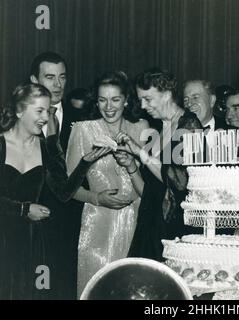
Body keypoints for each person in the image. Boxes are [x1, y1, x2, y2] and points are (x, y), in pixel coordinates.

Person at [0, 83, 110, 300]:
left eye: (48, 110)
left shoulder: (45, 147)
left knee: (40, 292)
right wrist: (23, 209)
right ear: (20, 111)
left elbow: (64, 192)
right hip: (4, 241)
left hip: (35, 243)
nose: (45, 117)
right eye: (39, 110)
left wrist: (84, 164)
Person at [65, 71, 148, 298]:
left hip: (137, 220)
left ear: (126, 100)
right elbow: (68, 188)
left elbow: (152, 183)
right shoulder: (83, 129)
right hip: (97, 224)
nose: (108, 106)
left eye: (115, 100)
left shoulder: (141, 127)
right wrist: (97, 198)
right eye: (102, 100)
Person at [122, 67, 202, 262]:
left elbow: (180, 181)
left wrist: (141, 154)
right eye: (141, 99)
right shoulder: (157, 129)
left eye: (148, 99)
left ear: (167, 95)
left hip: (173, 228)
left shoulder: (190, 126)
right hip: (149, 225)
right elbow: (150, 190)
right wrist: (131, 165)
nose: (143, 105)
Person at [29, 51, 77, 299]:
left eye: (62, 77)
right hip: (29, 221)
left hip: (70, 220)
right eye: (50, 77)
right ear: (34, 82)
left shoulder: (83, 117)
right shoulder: (17, 119)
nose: (58, 85)